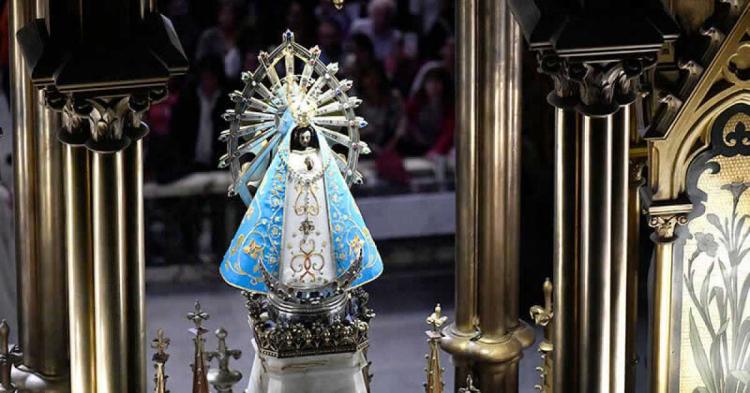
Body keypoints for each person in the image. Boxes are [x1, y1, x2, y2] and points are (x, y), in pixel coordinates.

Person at [169, 55, 230, 174]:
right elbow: (178, 133)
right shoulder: (187, 100)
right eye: (205, 77)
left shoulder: (226, 103)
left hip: (218, 165)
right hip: (189, 165)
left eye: (211, 78)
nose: (208, 82)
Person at [403, 67, 454, 157]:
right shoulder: (416, 101)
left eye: (437, 82)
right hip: (416, 145)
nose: (433, 86)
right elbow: (406, 121)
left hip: (439, 147)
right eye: (430, 82)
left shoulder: (449, 105)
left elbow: (448, 132)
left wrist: (436, 150)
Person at [194, 0, 243, 82]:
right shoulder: (209, 36)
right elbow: (200, 61)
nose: (227, 17)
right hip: (214, 81)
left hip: (238, 81)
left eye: (230, 13)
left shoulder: (240, 37)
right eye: (225, 13)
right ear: (219, 15)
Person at [350, 0, 402, 71]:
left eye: (386, 15)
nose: (382, 19)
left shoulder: (395, 36)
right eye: (378, 14)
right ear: (371, 14)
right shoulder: (358, 27)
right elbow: (349, 49)